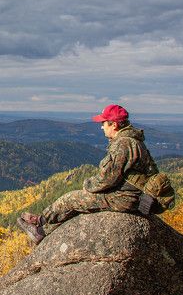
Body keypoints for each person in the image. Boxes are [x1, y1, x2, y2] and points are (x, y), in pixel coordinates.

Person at [17, 104, 159, 245]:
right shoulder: (134, 141)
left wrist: (88, 185)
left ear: (114, 124)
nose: (102, 127)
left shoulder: (123, 144)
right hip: (134, 196)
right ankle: (43, 229)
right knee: (79, 205)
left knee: (70, 199)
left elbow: (108, 179)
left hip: (125, 199)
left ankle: (40, 224)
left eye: (104, 123)